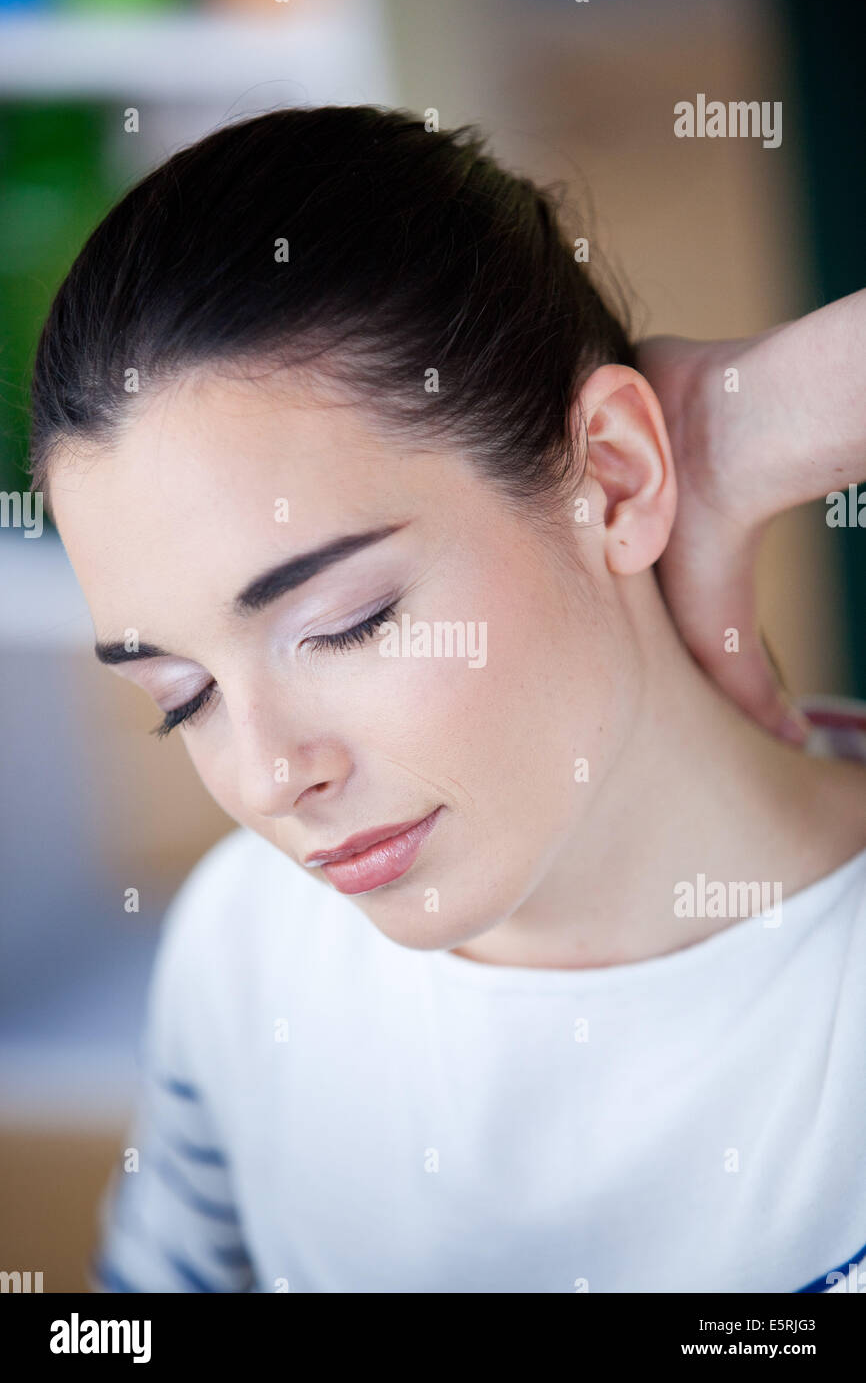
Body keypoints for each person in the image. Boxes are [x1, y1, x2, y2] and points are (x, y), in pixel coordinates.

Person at [28, 105, 866, 1293]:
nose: (270, 778)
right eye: (184, 695)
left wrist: (761, 418)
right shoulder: (248, 946)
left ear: (614, 477)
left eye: (344, 624)